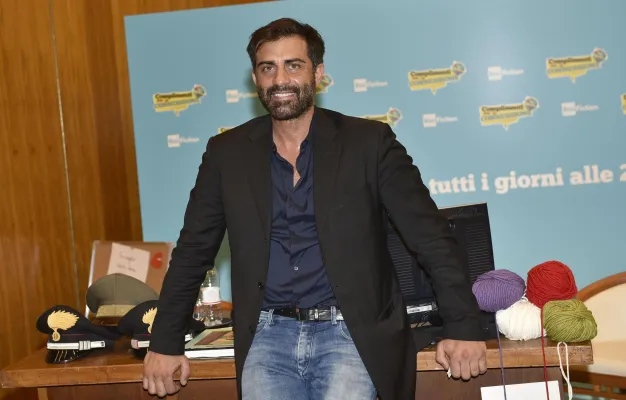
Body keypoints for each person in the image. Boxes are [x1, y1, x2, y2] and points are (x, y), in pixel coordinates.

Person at [142, 17, 487, 400]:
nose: (280, 79)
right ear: (255, 79)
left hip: (350, 334)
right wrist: (165, 342)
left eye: (293, 65)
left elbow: (432, 239)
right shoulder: (227, 154)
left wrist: (463, 326)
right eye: (268, 68)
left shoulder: (369, 143)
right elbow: (193, 251)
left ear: (318, 73)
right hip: (266, 336)